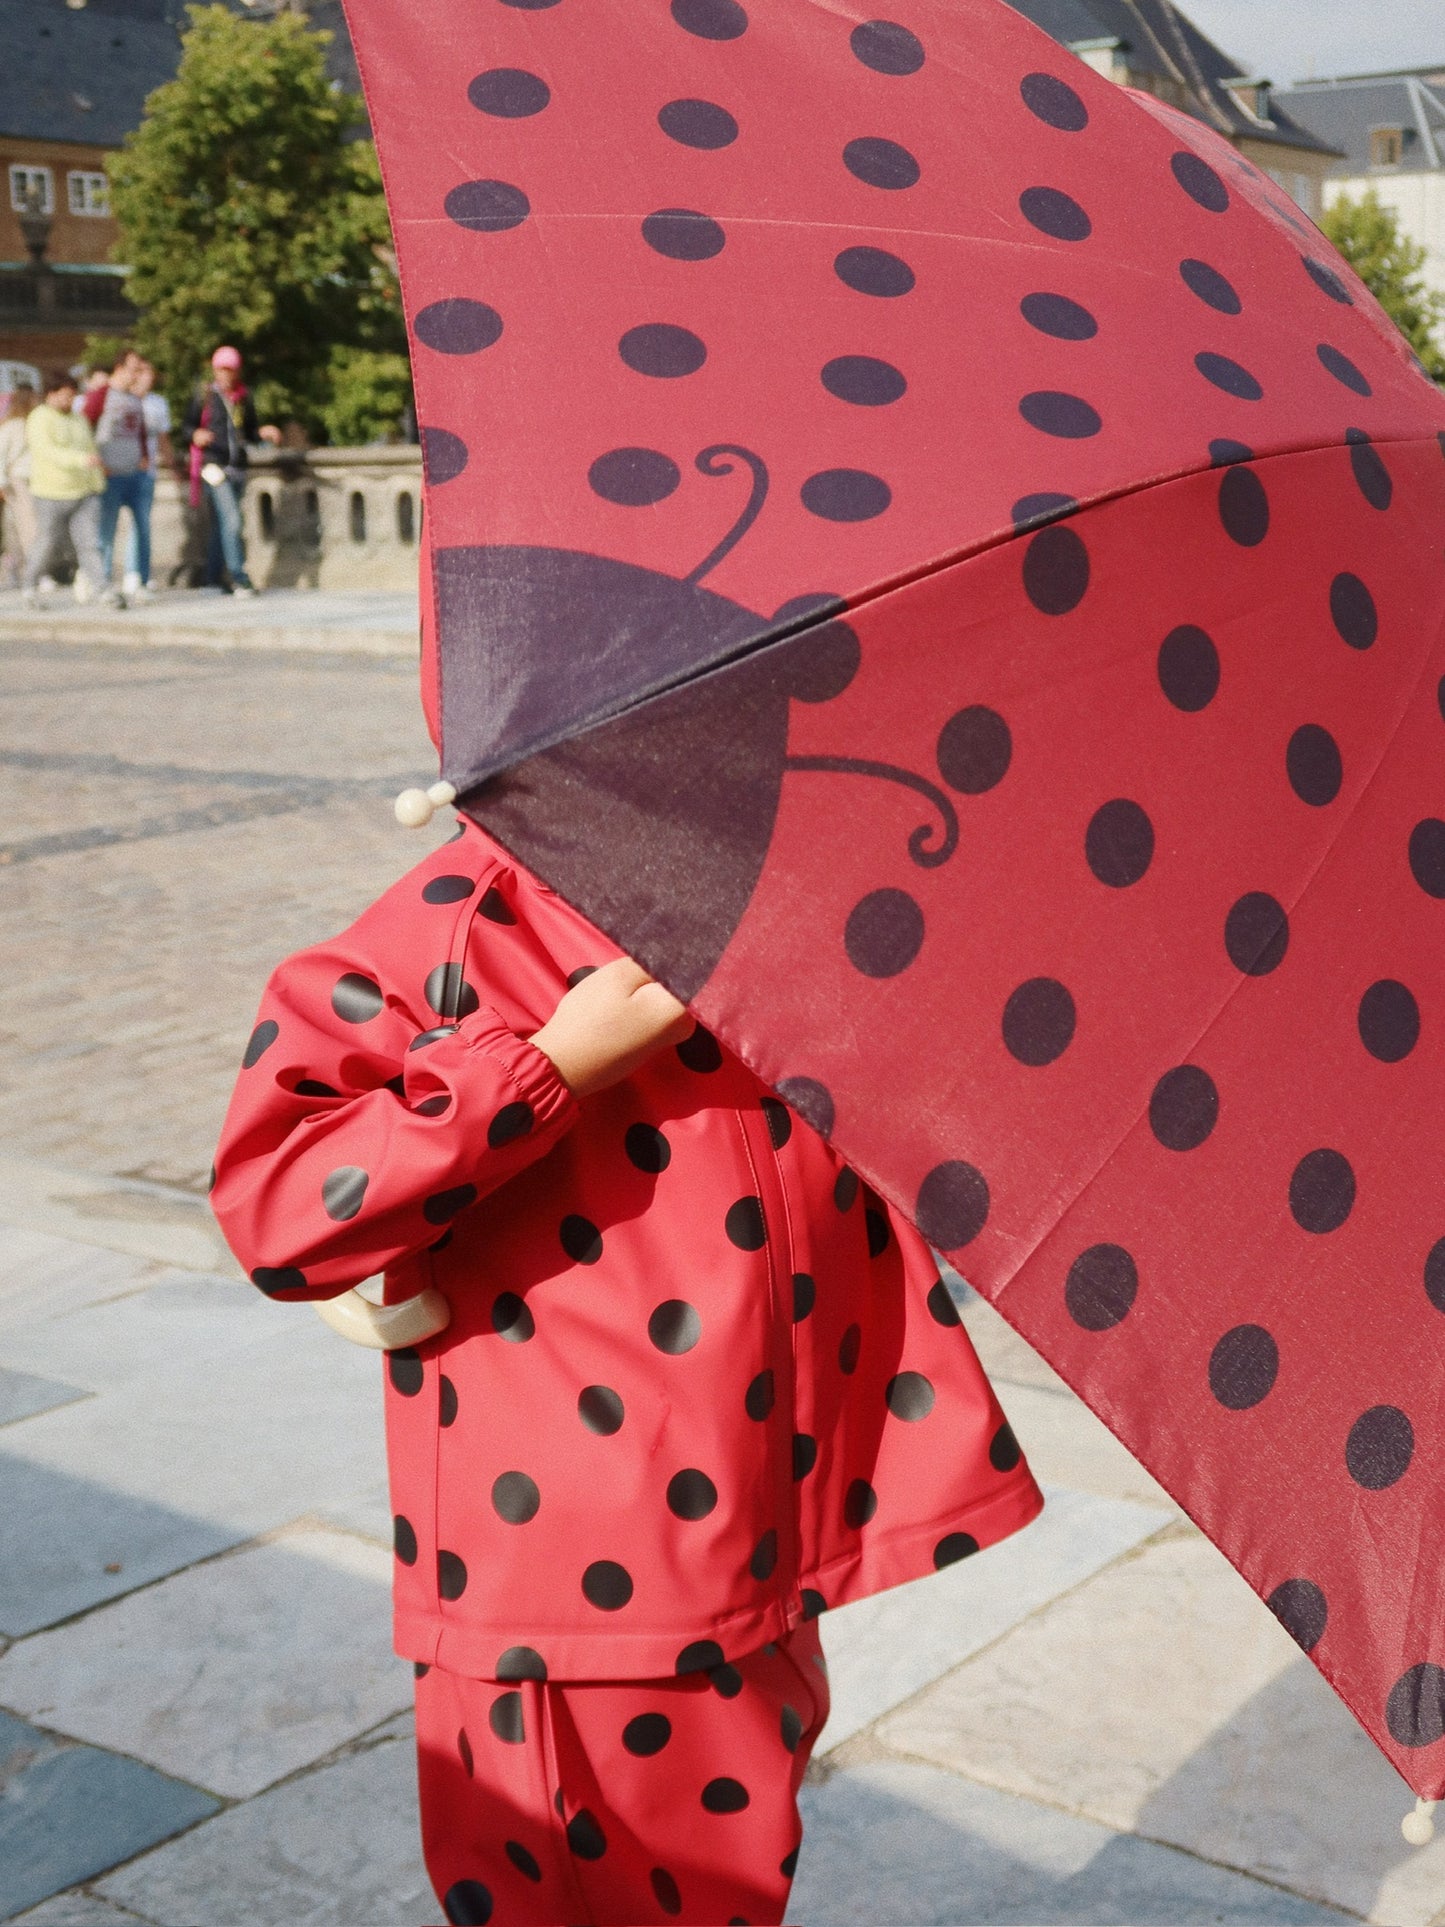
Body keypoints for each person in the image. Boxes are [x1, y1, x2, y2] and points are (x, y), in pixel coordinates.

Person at [210, 810, 1043, 1924]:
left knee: (733, 1866)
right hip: (573, 1574)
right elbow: (277, 1201)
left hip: (756, 1518)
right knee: (585, 1887)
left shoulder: (775, 878)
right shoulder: (472, 915)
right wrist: (543, 1066)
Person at [181, 346, 280, 596]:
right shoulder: (205, 396)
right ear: (215, 370)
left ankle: (211, 579)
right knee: (233, 521)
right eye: (222, 370)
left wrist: (263, 433)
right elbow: (186, 427)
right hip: (213, 466)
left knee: (221, 525)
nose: (226, 375)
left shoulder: (243, 397)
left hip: (237, 467)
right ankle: (239, 577)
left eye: (231, 370)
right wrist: (195, 434)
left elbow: (249, 431)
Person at [22, 368, 107, 607]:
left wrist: (96, 480)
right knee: (47, 542)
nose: (69, 400)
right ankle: (29, 586)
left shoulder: (78, 418)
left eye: (72, 395)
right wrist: (79, 460)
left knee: (90, 543)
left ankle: (101, 588)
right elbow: (46, 451)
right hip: (51, 492)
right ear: (51, 394)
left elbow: (90, 448)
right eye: (65, 395)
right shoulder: (39, 417)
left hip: (83, 491)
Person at [89, 354, 150, 603]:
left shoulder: (135, 399)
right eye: (133, 370)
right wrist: (97, 462)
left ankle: (138, 579)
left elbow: (140, 432)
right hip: (110, 474)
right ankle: (101, 581)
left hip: (135, 472)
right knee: (106, 531)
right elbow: (84, 426)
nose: (137, 376)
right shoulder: (101, 395)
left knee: (142, 528)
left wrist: (144, 457)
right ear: (119, 368)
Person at [123, 357, 172, 600]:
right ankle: (126, 573)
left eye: (150, 373)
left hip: (148, 469)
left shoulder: (158, 403)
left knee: (142, 523)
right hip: (122, 469)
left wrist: (171, 463)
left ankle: (141, 573)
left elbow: (163, 437)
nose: (147, 378)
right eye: (142, 372)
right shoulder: (123, 399)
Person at [0, 381, 38, 590]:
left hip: (35, 480)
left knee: (16, 528)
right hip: (18, 480)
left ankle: (16, 568)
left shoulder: (33, 422)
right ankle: (32, 571)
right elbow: (1, 455)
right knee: (28, 526)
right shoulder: (13, 426)